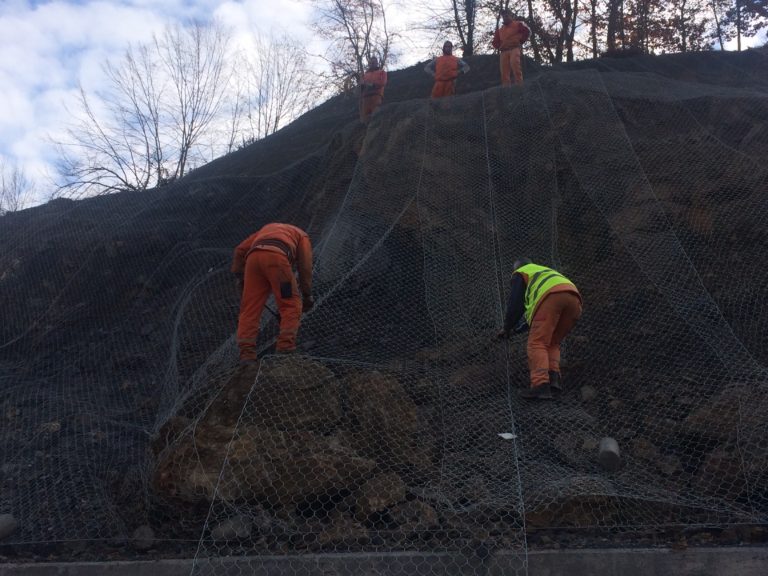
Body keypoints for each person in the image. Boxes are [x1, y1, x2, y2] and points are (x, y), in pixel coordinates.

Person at [497, 259, 582, 400]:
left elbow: (515, 304)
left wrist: (506, 327)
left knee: (536, 343)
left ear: (517, 268)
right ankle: (554, 379)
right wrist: (515, 330)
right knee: (552, 342)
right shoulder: (542, 272)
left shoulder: (521, 272)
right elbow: (536, 318)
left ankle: (540, 384)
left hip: (551, 298)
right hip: (574, 300)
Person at [231, 223, 314, 363]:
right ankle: (285, 347)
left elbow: (240, 250)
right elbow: (305, 268)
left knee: (250, 309)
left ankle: (247, 354)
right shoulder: (302, 236)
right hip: (277, 260)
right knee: (290, 304)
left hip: (253, 262)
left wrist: (239, 275)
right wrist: (307, 295)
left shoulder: (266, 229)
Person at [491, 9, 530, 86]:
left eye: (507, 15)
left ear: (511, 16)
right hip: (504, 51)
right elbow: (495, 42)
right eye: (503, 16)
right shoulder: (500, 30)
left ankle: (519, 84)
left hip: (514, 48)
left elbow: (527, 32)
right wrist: (500, 46)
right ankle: (506, 88)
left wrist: (520, 41)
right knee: (504, 70)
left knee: (515, 63)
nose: (505, 17)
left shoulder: (518, 24)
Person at [360, 56, 387, 123]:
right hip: (365, 98)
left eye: (374, 62)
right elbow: (361, 88)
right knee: (365, 119)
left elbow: (382, 83)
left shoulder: (382, 72)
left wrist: (370, 84)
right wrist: (361, 85)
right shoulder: (365, 75)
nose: (372, 64)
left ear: (377, 63)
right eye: (371, 62)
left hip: (376, 96)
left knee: (376, 117)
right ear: (369, 64)